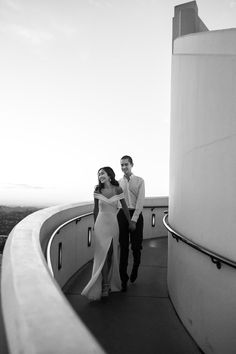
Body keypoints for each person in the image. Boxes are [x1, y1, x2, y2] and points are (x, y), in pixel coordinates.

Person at [81, 166, 132, 301]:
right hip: (101, 225)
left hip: (113, 224)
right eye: (98, 174)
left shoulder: (118, 189)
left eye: (102, 173)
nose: (100, 175)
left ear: (109, 175)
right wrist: (94, 226)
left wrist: (130, 222)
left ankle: (108, 281)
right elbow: (95, 209)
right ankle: (105, 285)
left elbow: (125, 207)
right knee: (102, 255)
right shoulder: (97, 190)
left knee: (110, 254)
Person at [117, 155, 145, 292]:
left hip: (136, 216)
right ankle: (123, 279)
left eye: (126, 164)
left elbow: (140, 202)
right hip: (122, 215)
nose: (123, 167)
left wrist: (133, 219)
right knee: (123, 247)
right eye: (121, 165)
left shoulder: (140, 181)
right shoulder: (118, 183)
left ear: (132, 164)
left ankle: (135, 267)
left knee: (136, 246)